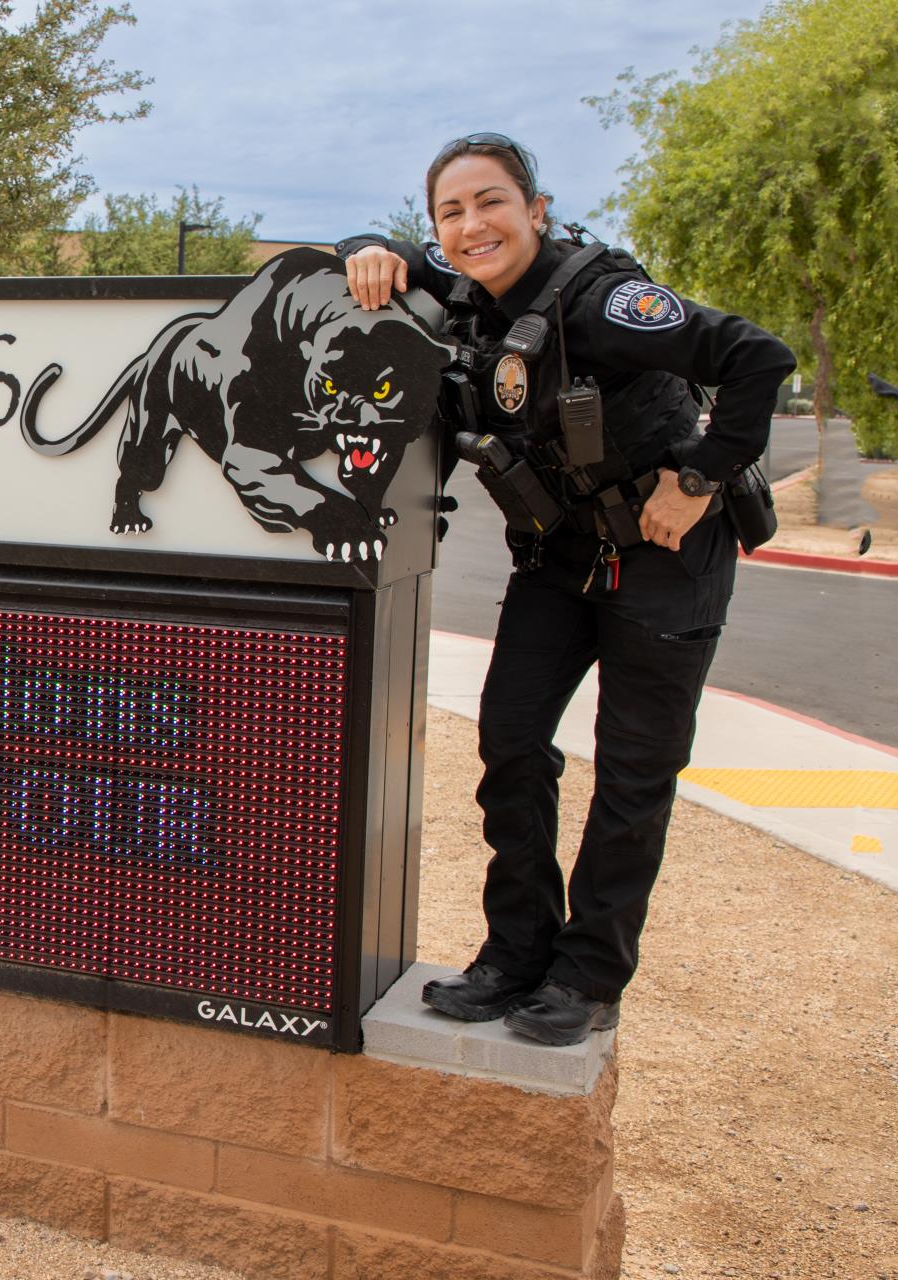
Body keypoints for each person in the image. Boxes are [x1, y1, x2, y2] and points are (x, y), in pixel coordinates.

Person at [337, 133, 795, 1046]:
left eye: (492, 202)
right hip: (559, 557)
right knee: (509, 740)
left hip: (667, 562)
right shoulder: (461, 300)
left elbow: (758, 356)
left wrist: (698, 479)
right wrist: (364, 246)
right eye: (451, 212)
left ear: (536, 211)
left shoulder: (604, 304)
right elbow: (374, 261)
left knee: (632, 776)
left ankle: (587, 976)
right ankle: (516, 954)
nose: (474, 225)